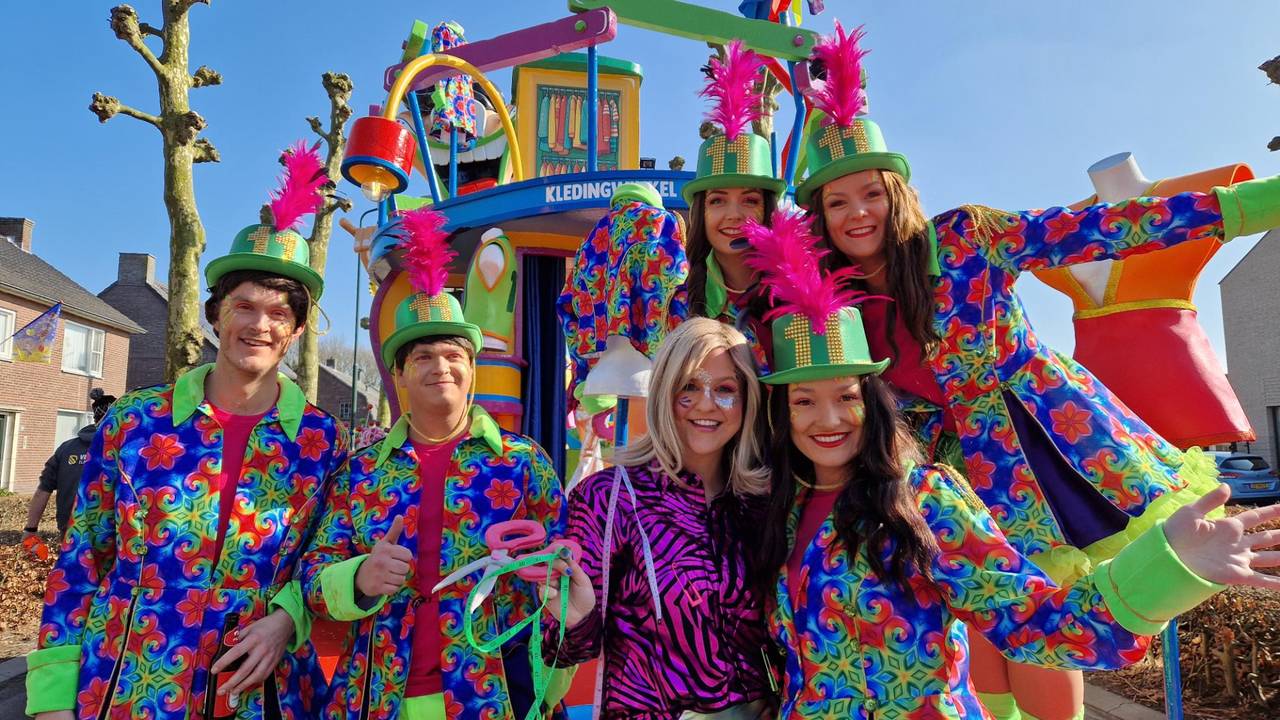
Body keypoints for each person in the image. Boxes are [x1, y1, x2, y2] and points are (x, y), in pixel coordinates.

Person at [794, 23, 1280, 719]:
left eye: (869, 193)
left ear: (896, 191)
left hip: (1035, 446)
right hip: (932, 467)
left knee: (1041, 620)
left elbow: (1108, 229)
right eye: (836, 202)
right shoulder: (829, 302)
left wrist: (1251, 206)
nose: (857, 214)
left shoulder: (964, 237)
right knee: (977, 627)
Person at [741, 206, 1280, 719]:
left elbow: (1036, 620)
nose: (827, 418)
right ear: (780, 414)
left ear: (874, 402)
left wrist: (1168, 569)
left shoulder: (922, 499)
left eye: (846, 396)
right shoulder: (774, 510)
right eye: (803, 401)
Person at [28, 143, 348, 719]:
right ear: (215, 312)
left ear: (297, 332)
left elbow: (325, 560)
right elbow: (82, 558)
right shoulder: (135, 422)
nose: (259, 324)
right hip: (127, 686)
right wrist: (52, 696)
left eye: (279, 314)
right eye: (244, 305)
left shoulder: (323, 444)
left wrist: (288, 618)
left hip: (258, 693)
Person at [298, 206, 566, 720]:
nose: (439, 367)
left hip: (494, 698)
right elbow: (312, 575)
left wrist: (549, 688)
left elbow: (562, 576)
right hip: (377, 697)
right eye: (422, 357)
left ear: (471, 368)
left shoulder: (523, 462)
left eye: (453, 355)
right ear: (398, 373)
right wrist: (358, 577)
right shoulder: (360, 473)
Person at [541, 317, 778, 719]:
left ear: (747, 401)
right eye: (689, 386)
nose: (706, 403)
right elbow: (562, 649)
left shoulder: (764, 503)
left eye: (725, 390)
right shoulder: (608, 498)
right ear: (663, 394)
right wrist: (576, 616)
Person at [677, 40, 786, 371]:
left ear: (767, 210)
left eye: (750, 200)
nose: (733, 215)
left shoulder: (797, 289)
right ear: (702, 212)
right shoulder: (681, 301)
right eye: (717, 200)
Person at [23, 392, 116, 541]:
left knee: (71, 564)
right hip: (110, 532)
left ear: (94, 418)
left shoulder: (66, 448)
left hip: (70, 530)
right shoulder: (123, 450)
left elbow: (43, 490)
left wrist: (30, 528)